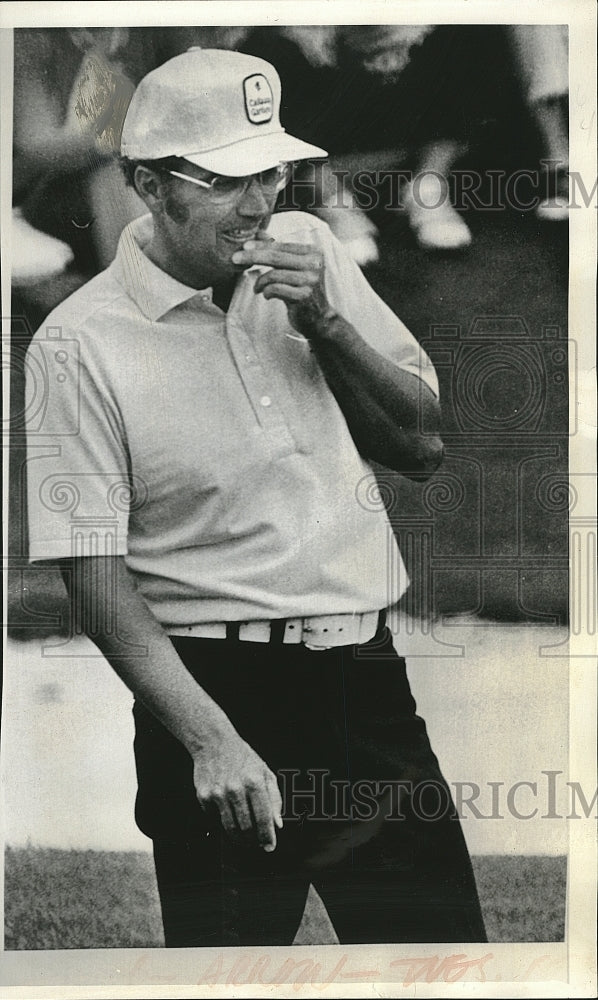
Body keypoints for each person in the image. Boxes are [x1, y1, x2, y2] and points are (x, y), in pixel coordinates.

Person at [25, 48, 486, 947]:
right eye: (229, 177)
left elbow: (424, 445)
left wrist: (327, 324)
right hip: (214, 695)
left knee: (443, 968)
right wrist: (210, 741)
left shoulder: (311, 255)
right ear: (148, 184)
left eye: (272, 170)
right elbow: (94, 581)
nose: (260, 201)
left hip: (365, 687)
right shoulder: (74, 346)